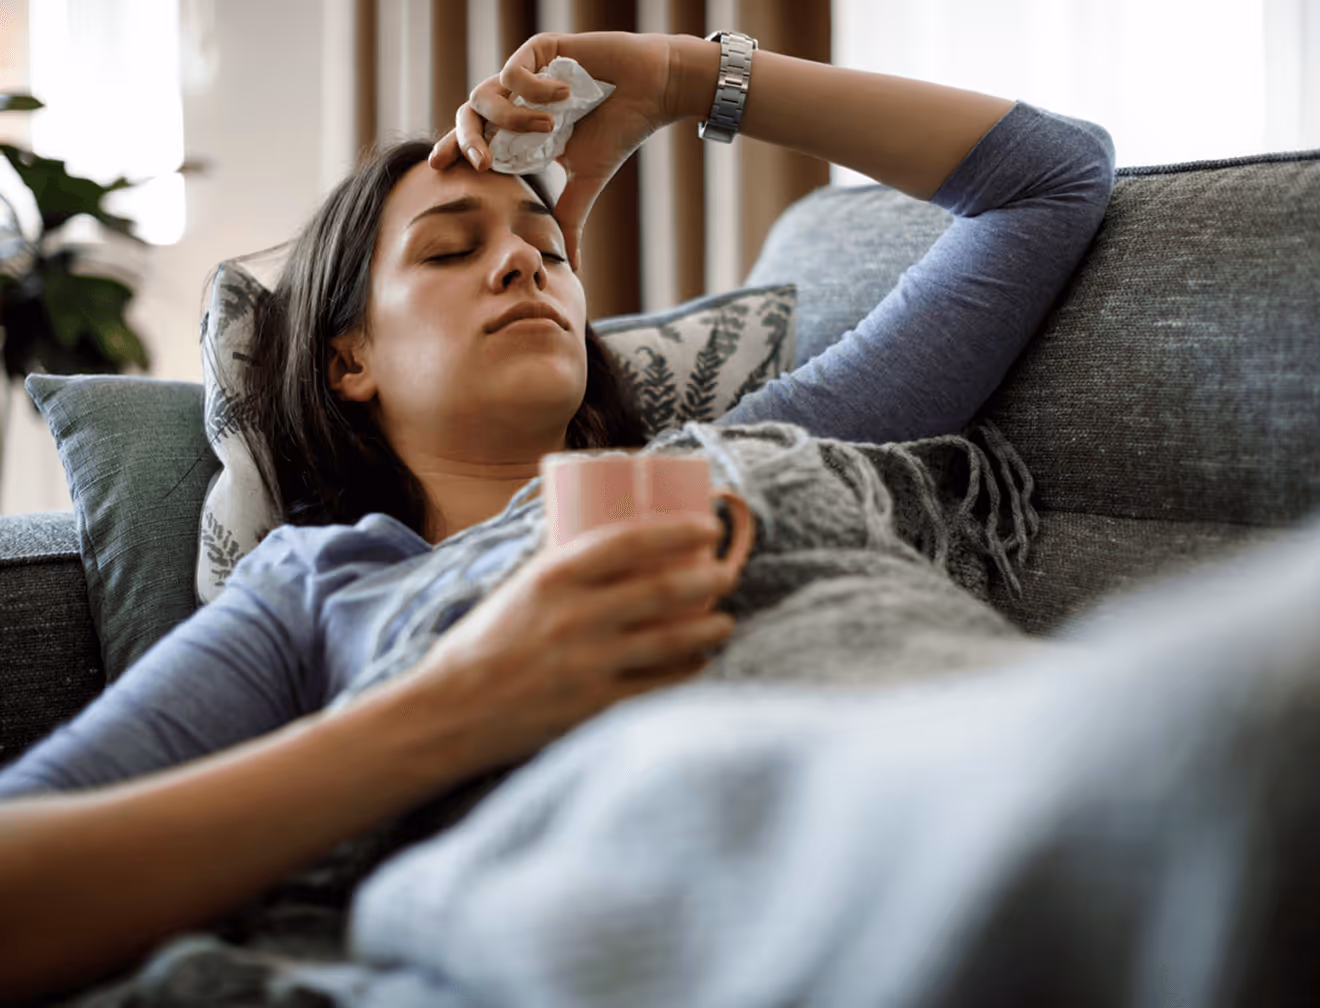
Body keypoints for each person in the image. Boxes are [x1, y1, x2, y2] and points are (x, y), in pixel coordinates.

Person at [0, 30, 1119, 1001]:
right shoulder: (320, 586)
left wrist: (681, 78)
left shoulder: (754, 450)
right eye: (452, 248)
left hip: (983, 799)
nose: (521, 270)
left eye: (548, 252)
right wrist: (459, 702)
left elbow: (1050, 180)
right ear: (350, 359)